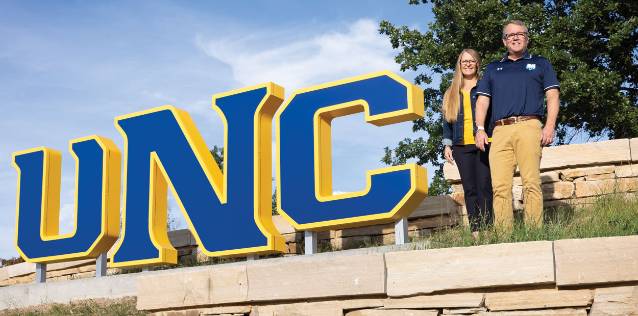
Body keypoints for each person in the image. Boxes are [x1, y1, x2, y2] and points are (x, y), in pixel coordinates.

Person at [474, 20, 560, 228]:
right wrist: (480, 128)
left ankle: (534, 232)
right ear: (504, 41)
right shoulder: (494, 68)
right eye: (510, 35)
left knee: (531, 182)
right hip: (500, 130)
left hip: (529, 125)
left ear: (527, 38)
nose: (515, 37)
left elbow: (553, 96)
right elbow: (483, 100)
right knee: (500, 187)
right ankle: (504, 237)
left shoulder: (540, 63)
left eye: (520, 33)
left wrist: (549, 126)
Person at [442, 48, 493, 234]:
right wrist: (447, 144)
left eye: (472, 61)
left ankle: (489, 228)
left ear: (477, 63)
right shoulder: (451, 92)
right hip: (460, 145)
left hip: (483, 143)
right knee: (470, 189)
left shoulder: (485, 86)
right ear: (460, 65)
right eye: (465, 61)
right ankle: (476, 230)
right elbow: (447, 121)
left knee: (484, 186)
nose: (468, 64)